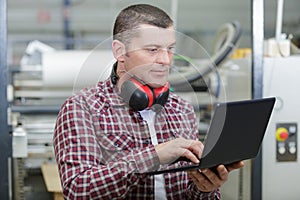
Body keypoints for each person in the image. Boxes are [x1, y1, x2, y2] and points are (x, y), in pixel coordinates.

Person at [53, 3, 244, 199]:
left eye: (170, 49)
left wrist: (205, 189)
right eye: (152, 50)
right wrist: (154, 156)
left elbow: (190, 193)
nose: (166, 60)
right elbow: (78, 190)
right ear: (120, 51)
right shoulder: (82, 108)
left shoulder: (182, 109)